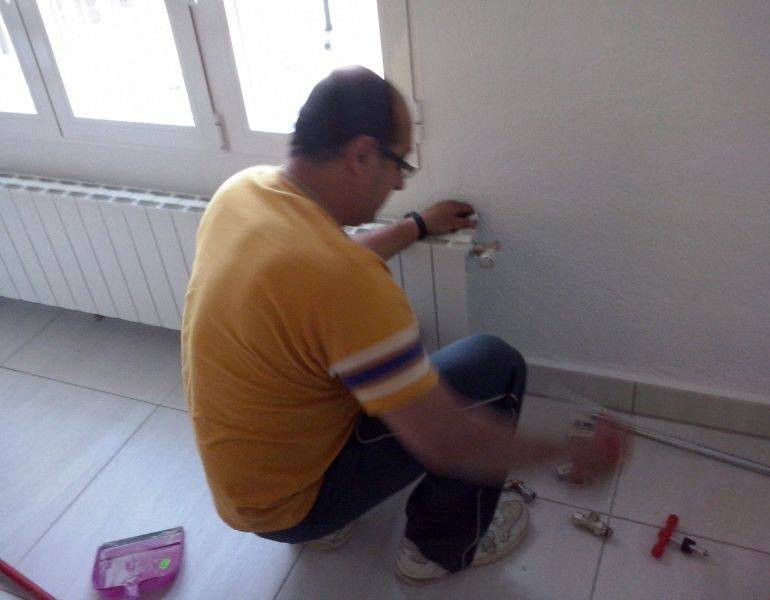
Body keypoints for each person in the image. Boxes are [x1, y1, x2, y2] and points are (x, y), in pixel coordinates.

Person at [181, 66, 621, 585]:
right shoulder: (344, 281)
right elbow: (450, 441)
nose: (398, 182)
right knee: (495, 364)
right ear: (361, 155)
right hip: (291, 508)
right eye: (399, 165)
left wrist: (416, 225)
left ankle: (327, 525)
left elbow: (327, 260)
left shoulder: (244, 191)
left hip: (246, 492)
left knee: (390, 372)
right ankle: (437, 550)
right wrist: (571, 451)